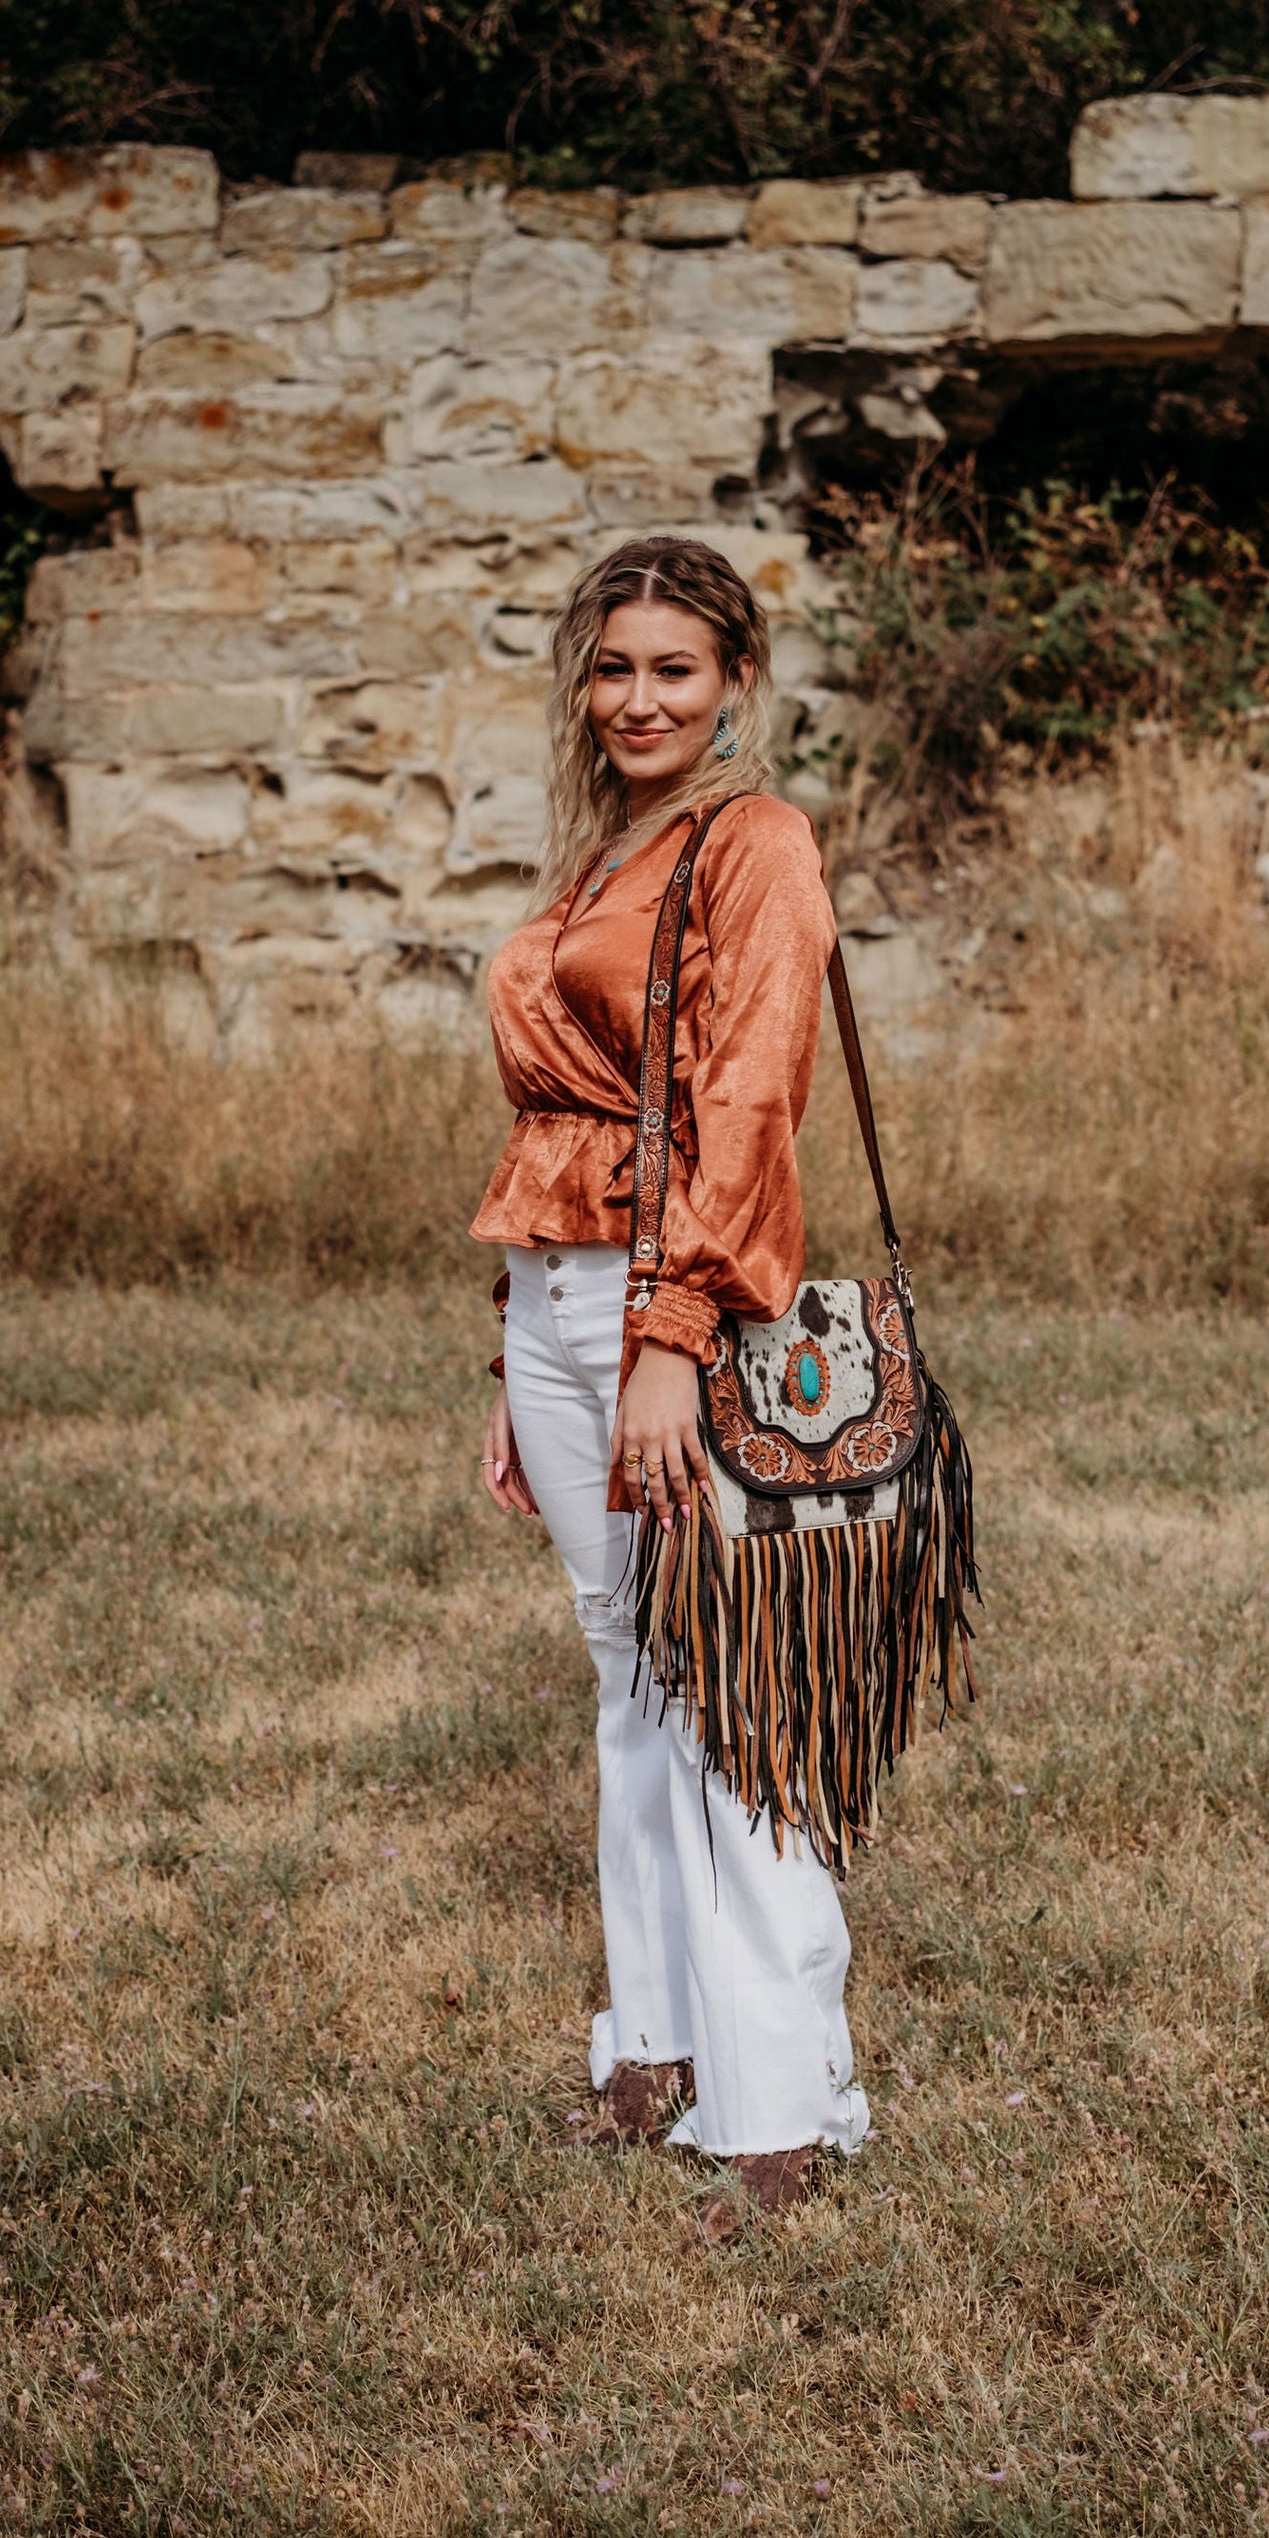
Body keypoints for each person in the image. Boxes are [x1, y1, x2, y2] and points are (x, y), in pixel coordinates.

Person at [472, 533, 870, 2221]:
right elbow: (561, 1125)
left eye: (673, 671)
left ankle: (780, 2111)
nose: (638, 699)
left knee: (726, 1692)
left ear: (734, 682)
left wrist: (667, 1336)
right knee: (627, 1681)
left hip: (664, 1310)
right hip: (549, 1299)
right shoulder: (599, 852)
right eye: (613, 668)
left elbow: (749, 1102)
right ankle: (654, 2049)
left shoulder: (753, 842)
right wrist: (515, 1358)